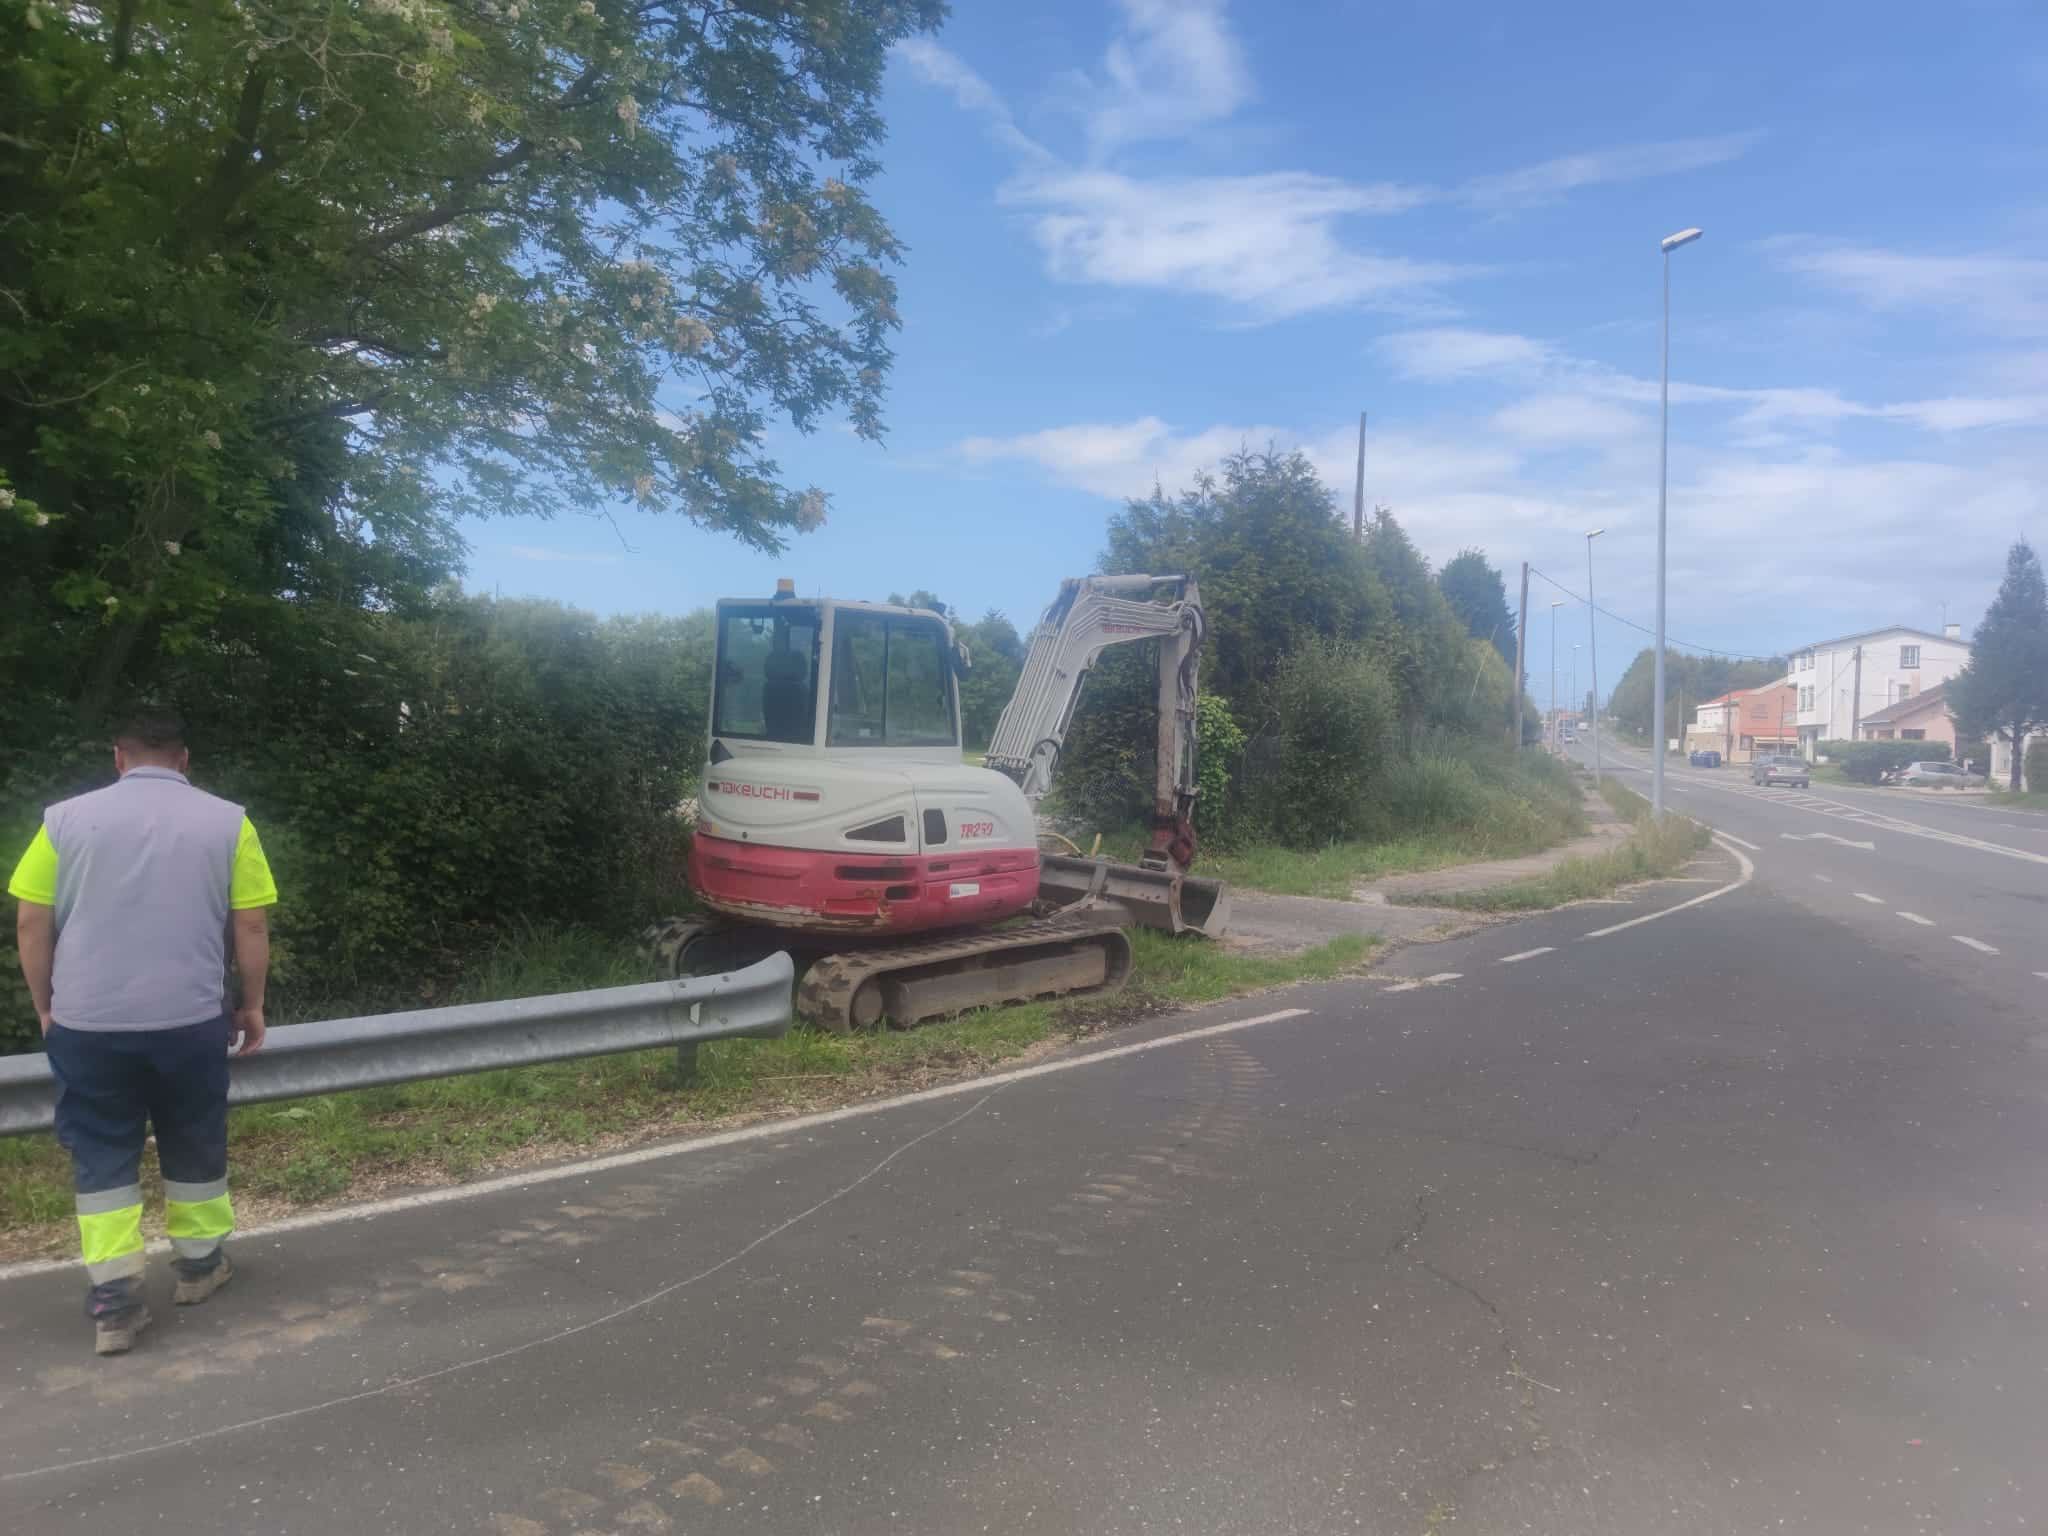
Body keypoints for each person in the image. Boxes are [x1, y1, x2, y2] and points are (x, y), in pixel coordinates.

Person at [9, 713, 278, 1356]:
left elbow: (29, 924)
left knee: (102, 1151)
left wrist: (47, 1007)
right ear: (184, 759)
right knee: (193, 1134)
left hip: (88, 1021)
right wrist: (253, 1005)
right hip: (189, 1020)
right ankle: (198, 1266)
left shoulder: (61, 821)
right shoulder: (228, 821)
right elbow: (250, 928)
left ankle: (115, 1300)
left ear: (118, 758)